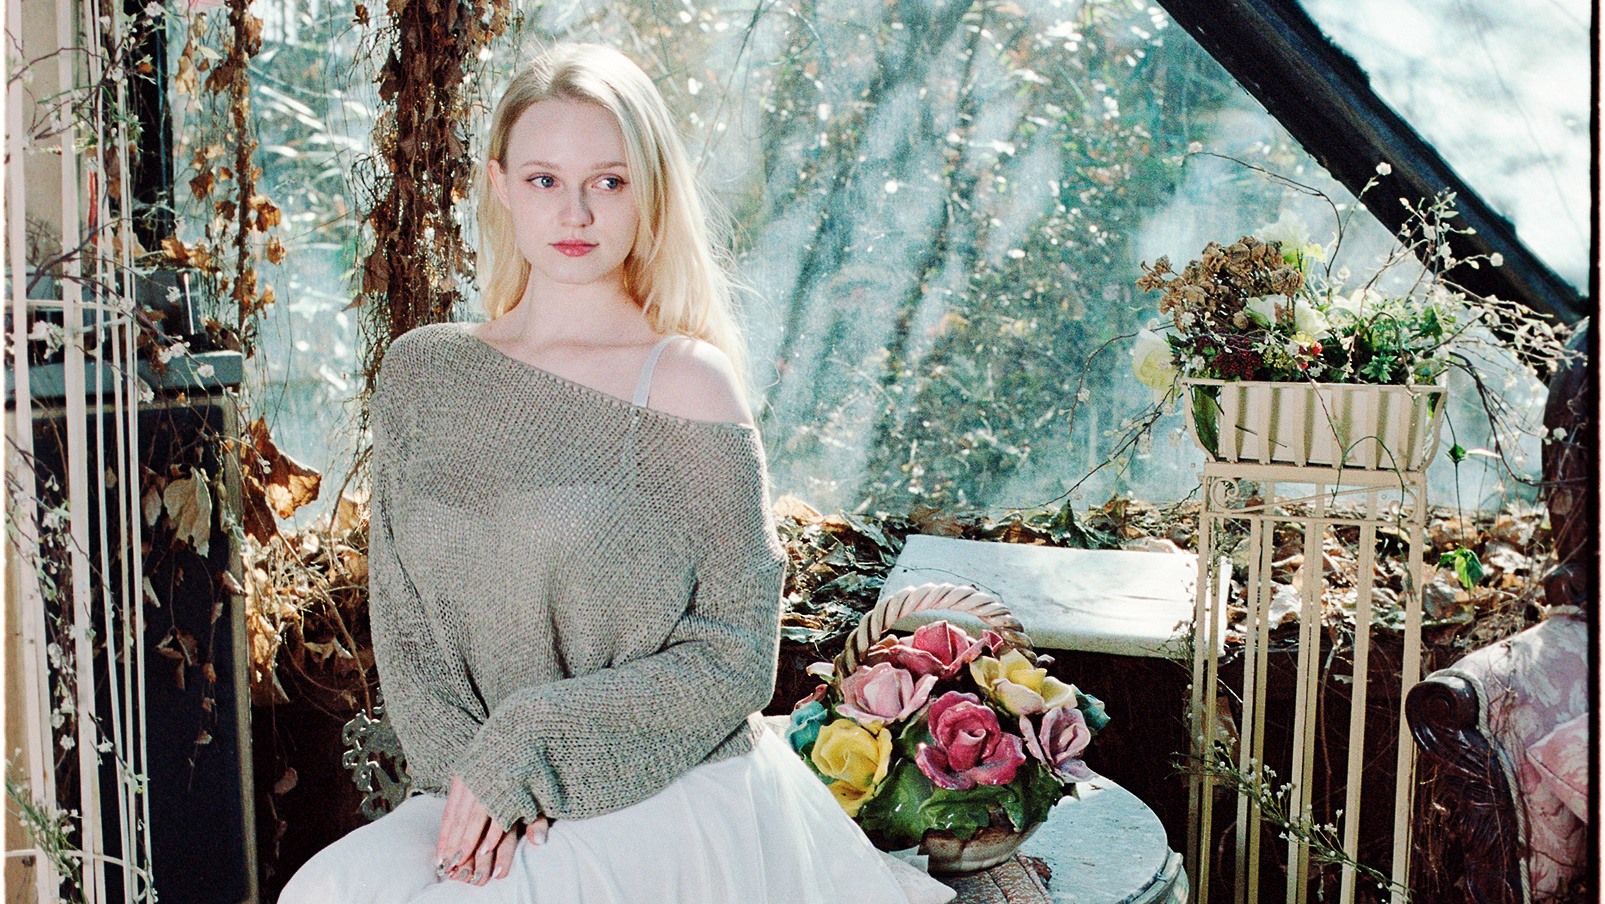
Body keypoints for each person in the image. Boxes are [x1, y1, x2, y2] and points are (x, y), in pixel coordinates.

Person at [279, 43, 954, 904]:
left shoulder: (684, 381)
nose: (576, 211)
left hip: (673, 783)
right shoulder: (423, 373)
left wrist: (527, 748)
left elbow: (735, 654)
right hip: (478, 783)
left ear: (649, 193)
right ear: (499, 185)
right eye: (544, 180)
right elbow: (406, 628)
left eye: (609, 181)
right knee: (323, 890)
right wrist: (478, 786)